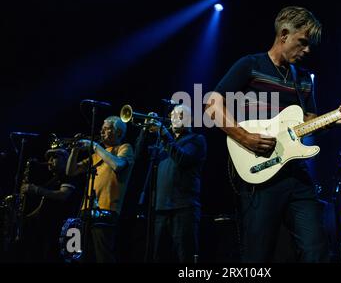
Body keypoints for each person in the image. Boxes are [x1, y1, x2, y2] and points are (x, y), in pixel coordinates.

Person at [205, 6, 341, 262]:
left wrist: (336, 119)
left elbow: (310, 121)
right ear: (284, 34)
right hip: (260, 177)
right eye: (303, 42)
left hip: (297, 174)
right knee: (257, 255)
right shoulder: (250, 64)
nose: (308, 50)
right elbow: (211, 103)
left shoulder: (304, 79)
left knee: (316, 250)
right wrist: (244, 137)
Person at [66, 116, 134, 263]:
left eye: (107, 128)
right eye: (102, 129)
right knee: (80, 256)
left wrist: (96, 146)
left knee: (103, 257)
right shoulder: (97, 154)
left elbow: (118, 165)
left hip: (106, 211)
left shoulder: (124, 148)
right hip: (86, 210)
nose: (102, 131)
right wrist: (74, 151)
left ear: (119, 133)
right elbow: (70, 172)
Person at [149, 104, 207, 263]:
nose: (174, 117)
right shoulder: (163, 143)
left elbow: (183, 159)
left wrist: (165, 134)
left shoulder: (196, 140)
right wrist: (144, 129)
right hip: (160, 208)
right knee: (158, 257)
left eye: (180, 114)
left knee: (186, 257)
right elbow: (140, 157)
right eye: (173, 114)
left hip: (184, 208)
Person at [20, 147, 82, 262]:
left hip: (63, 229)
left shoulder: (68, 176)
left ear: (66, 160)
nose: (50, 160)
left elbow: (63, 195)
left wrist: (36, 189)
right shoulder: (54, 180)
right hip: (50, 228)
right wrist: (26, 218)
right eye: (49, 157)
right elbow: (44, 205)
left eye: (54, 157)